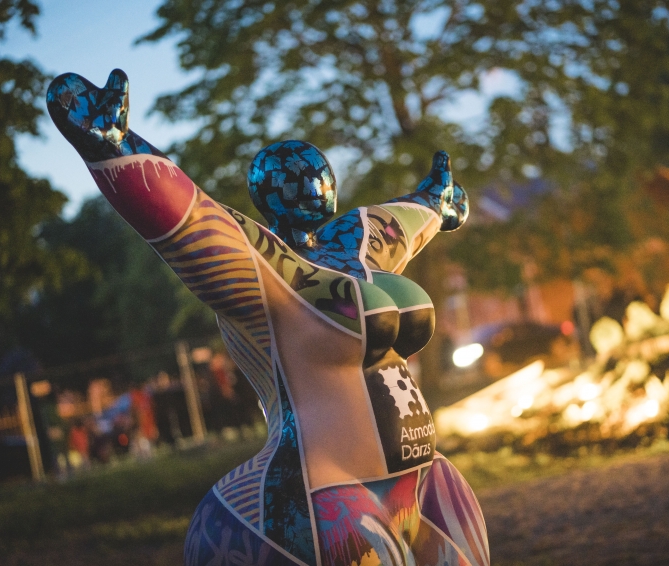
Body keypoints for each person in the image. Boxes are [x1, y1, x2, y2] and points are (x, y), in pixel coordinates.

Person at [47, 69, 488, 566]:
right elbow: (188, 216)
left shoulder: (357, 245)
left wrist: (437, 201)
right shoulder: (266, 265)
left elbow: (407, 217)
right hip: (323, 490)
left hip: (422, 475)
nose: (310, 182)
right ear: (266, 193)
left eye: (316, 171)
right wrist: (115, 147)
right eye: (292, 176)